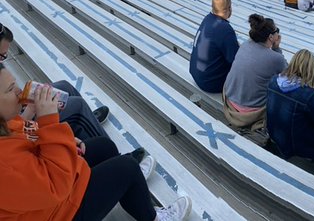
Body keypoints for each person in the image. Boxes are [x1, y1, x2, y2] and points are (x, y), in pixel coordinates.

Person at [0, 62, 192, 221]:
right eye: (10, 90)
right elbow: (54, 187)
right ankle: (152, 215)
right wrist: (50, 123)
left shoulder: (6, 120)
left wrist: (59, 139)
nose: (18, 91)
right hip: (60, 212)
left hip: (52, 193)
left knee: (103, 146)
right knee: (127, 168)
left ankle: (130, 189)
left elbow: (25, 134)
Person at [222, 14, 287, 131]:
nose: (279, 33)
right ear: (271, 37)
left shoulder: (245, 45)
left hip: (230, 101)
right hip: (251, 112)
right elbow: (288, 75)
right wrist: (277, 48)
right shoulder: (276, 58)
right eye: (277, 31)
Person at [265, 49, 314, 161]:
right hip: (297, 147)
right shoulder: (308, 95)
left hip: (274, 135)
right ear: (311, 70)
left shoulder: (274, 81)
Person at [190, 0, 240, 94]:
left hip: (195, 73)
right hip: (211, 83)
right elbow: (236, 61)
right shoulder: (225, 29)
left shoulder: (207, 18)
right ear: (228, 9)